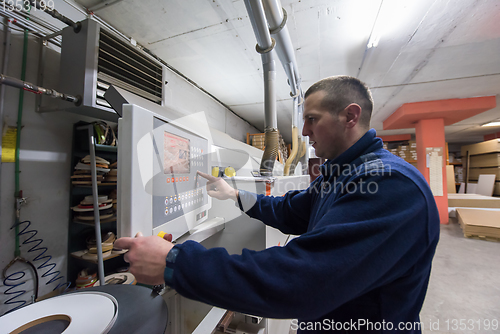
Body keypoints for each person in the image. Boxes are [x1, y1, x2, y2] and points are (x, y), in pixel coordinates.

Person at [115, 76, 440, 333]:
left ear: (350, 116)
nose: (305, 132)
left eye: (312, 119)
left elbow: (303, 281)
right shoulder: (342, 173)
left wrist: (175, 263)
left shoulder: (390, 184)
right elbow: (291, 210)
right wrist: (235, 195)